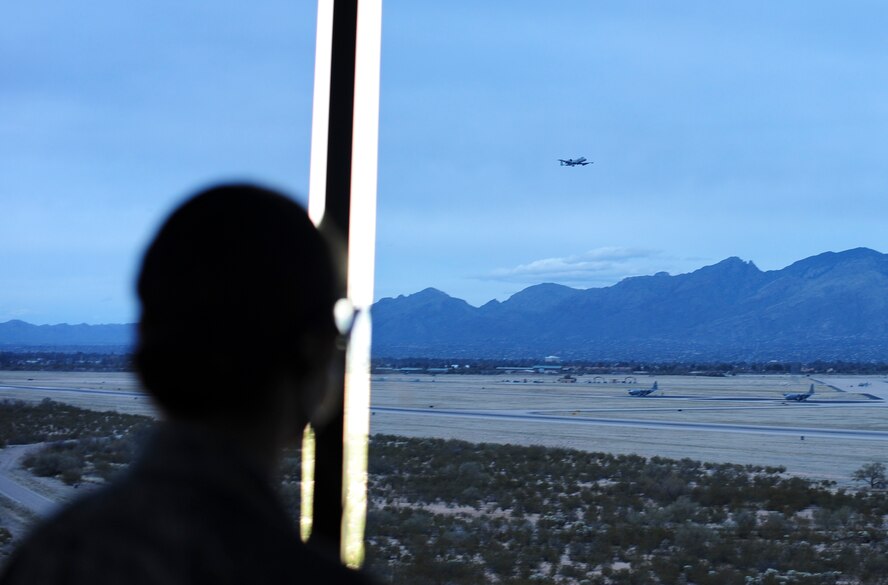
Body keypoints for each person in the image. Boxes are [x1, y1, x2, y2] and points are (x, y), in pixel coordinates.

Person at [0, 184, 374, 584]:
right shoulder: (295, 572)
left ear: (145, 364)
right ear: (313, 350)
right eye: (336, 333)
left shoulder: (47, 558)